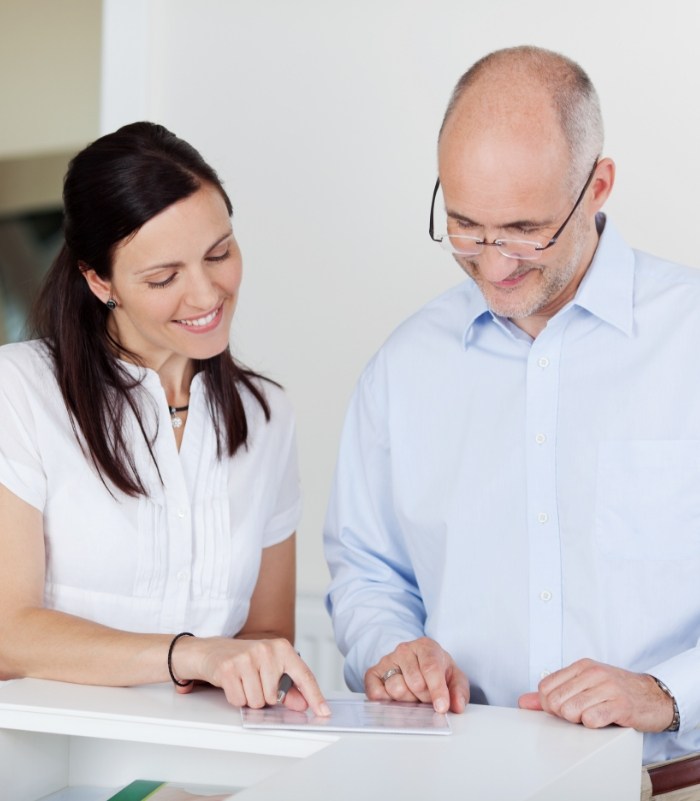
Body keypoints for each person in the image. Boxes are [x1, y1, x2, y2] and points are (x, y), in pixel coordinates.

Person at [324, 45, 700, 795]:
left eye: (526, 230)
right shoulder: (403, 367)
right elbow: (367, 571)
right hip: (453, 781)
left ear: (599, 185)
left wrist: (668, 692)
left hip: (668, 781)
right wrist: (396, 649)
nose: (494, 265)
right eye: (466, 227)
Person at [0, 121, 329, 717]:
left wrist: (252, 669)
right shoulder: (19, 391)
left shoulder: (266, 415)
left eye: (219, 254)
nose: (206, 296)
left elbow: (262, 637)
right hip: (50, 763)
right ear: (99, 281)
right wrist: (189, 655)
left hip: (203, 766)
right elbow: (8, 634)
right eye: (163, 278)